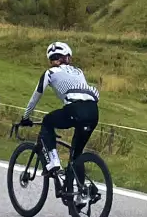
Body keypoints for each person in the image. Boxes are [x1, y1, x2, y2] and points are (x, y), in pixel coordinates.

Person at [19, 41, 99, 197]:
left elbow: (36, 95)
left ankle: (54, 162)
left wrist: (25, 117)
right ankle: (79, 197)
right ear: (68, 58)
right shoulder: (79, 71)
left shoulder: (50, 73)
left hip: (75, 109)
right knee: (76, 155)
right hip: (93, 111)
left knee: (48, 121)